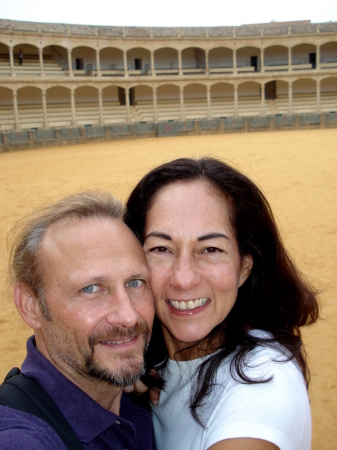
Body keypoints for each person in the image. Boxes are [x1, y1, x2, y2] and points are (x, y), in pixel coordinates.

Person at [124, 157, 319, 450]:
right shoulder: (147, 363)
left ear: (244, 268)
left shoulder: (262, 386)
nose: (184, 278)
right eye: (161, 249)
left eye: (211, 249)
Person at [0, 191, 156, 449]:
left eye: (135, 283)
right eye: (91, 289)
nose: (128, 316)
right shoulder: (21, 440)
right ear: (31, 306)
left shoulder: (133, 396)